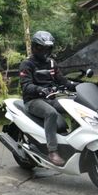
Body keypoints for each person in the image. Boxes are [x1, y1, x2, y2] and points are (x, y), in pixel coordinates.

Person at [19, 31, 78, 166]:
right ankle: (52, 151)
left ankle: (74, 141)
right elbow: (26, 86)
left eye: (47, 48)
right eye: (41, 48)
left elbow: (62, 81)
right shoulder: (27, 64)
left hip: (51, 97)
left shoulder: (51, 63)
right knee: (50, 113)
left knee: (75, 106)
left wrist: (77, 86)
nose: (44, 51)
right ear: (35, 47)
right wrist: (39, 89)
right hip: (33, 100)